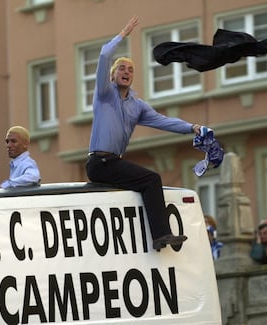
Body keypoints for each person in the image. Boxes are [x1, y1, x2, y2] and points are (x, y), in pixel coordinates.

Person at [85, 15, 205, 251]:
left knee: (143, 183)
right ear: (112, 75)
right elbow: (103, 55)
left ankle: (141, 237)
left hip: (113, 163)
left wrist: (192, 128)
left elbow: (163, 121)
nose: (126, 71)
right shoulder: (104, 93)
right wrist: (123, 34)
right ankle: (160, 234)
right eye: (121, 68)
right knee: (151, 180)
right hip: (99, 162)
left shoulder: (137, 105)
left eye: (130, 69)